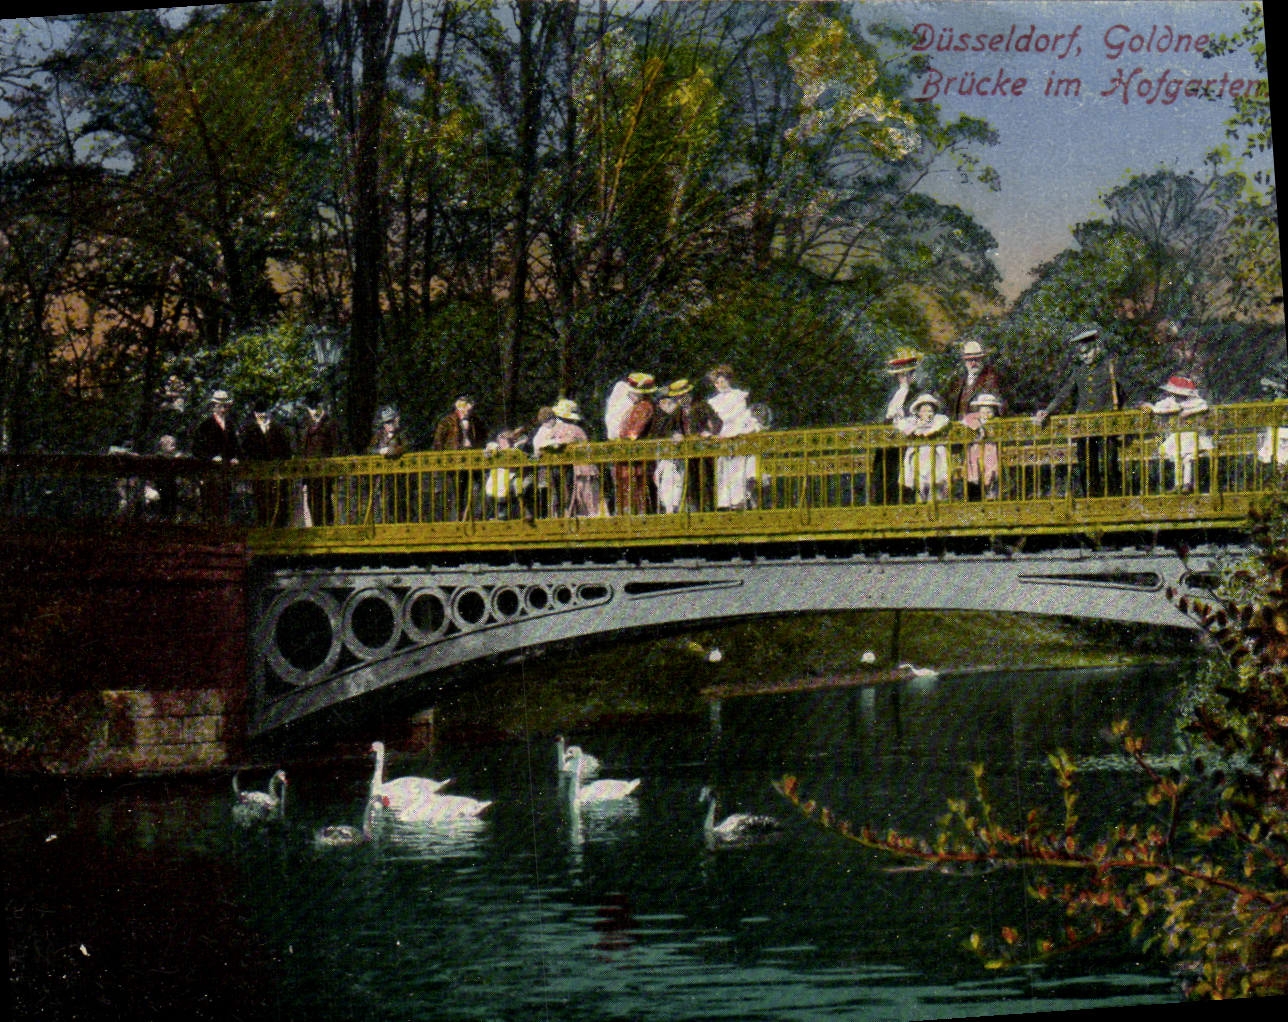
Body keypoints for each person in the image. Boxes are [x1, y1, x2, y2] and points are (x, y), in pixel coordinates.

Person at [1033, 324, 1132, 498]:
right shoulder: (1079, 372)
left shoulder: (1110, 368)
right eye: (1081, 354)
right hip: (1084, 425)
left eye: (1087, 352)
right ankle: (1091, 500)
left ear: (1097, 349)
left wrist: (1138, 406)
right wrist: (1047, 411)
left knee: (1109, 464)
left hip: (1107, 423)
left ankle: (1114, 500)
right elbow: (1064, 393)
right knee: (1086, 464)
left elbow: (1127, 391)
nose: (1084, 356)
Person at [1140, 375, 1212, 493]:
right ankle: (1178, 484)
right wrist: (1149, 407)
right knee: (1177, 456)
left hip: (1191, 434)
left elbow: (1204, 406)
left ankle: (1187, 483)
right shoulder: (1170, 401)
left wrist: (1188, 412)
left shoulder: (1193, 402)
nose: (1177, 396)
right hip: (1177, 435)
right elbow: (1158, 408)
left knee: (1187, 457)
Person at [532, 398, 600, 517]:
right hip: (577, 467)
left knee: (578, 494)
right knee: (582, 495)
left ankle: (572, 515)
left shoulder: (568, 430)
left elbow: (542, 445)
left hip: (577, 467)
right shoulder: (574, 429)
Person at [871, 347, 922, 505]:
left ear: (913, 375)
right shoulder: (894, 395)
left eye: (907, 374)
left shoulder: (918, 394)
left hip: (907, 443)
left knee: (904, 478)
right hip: (889, 444)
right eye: (901, 375)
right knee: (885, 476)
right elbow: (885, 419)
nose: (904, 378)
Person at [662, 379, 722, 512]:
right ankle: (695, 512)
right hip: (688, 454)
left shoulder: (702, 406)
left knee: (706, 481)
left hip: (705, 451)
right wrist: (675, 434)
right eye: (677, 398)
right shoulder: (678, 411)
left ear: (688, 394)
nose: (680, 400)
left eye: (682, 396)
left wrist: (709, 432)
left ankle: (709, 512)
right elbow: (668, 428)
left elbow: (717, 422)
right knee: (690, 483)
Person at [705, 365, 759, 510]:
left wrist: (743, 429)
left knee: (740, 467)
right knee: (726, 469)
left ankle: (741, 499)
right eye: (717, 383)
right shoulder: (714, 401)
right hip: (725, 432)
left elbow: (741, 415)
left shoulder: (739, 396)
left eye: (722, 381)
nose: (720, 385)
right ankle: (727, 502)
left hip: (740, 430)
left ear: (728, 380)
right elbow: (716, 420)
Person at [240, 398, 294, 527]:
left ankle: (278, 530)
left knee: (278, 502)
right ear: (254, 413)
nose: (262, 415)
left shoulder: (278, 428)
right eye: (259, 412)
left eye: (264, 411)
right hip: (258, 473)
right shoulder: (249, 429)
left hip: (276, 472)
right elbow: (245, 451)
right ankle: (262, 528)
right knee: (260, 502)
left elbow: (286, 450)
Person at [433, 394, 487, 520]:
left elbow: (482, 438)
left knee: (480, 486)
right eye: (465, 406)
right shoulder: (447, 421)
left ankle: (476, 516)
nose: (468, 409)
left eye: (469, 406)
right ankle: (457, 520)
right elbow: (438, 443)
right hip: (455, 461)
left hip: (473, 460)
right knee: (457, 492)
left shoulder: (475, 421)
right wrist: (443, 460)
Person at [190, 389, 240, 520]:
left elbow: (235, 445)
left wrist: (234, 457)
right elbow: (196, 448)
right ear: (213, 406)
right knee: (210, 503)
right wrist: (211, 457)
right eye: (220, 406)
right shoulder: (205, 424)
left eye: (225, 406)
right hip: (210, 471)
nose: (223, 409)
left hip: (226, 470)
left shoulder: (230, 424)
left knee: (225, 502)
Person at [611, 373, 657, 515]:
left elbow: (634, 433)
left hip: (634, 456)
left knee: (635, 487)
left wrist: (623, 438)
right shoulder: (638, 406)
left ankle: (636, 515)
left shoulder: (644, 407)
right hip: (630, 456)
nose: (631, 394)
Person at [896, 392, 951, 503]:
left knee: (934, 481)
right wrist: (914, 430)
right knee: (919, 482)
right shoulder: (914, 422)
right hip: (919, 455)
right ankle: (920, 502)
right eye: (924, 411)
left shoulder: (937, 420)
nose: (928, 414)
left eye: (930, 411)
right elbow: (901, 424)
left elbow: (944, 421)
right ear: (919, 412)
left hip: (934, 455)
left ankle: (934, 502)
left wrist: (931, 431)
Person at [299, 390, 342, 526]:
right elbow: (301, 446)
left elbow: (336, 446)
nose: (313, 410)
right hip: (309, 471)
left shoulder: (330, 423)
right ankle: (316, 529)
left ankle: (327, 529)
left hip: (325, 470)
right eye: (310, 407)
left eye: (315, 406)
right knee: (311, 501)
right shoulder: (304, 423)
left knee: (326, 500)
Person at [945, 339, 1006, 419]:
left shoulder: (991, 379)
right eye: (970, 360)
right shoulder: (959, 381)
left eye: (977, 359)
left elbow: (1000, 406)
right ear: (965, 362)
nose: (973, 363)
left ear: (982, 360)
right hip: (961, 424)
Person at [368, 404, 409, 523]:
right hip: (381, 476)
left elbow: (405, 446)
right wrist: (379, 451)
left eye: (391, 422)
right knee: (381, 501)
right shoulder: (379, 435)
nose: (390, 425)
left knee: (397, 502)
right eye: (387, 423)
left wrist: (391, 451)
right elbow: (370, 449)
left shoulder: (400, 434)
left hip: (398, 476)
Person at [961, 392, 1003, 501]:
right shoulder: (975, 419)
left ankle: (991, 492)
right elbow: (966, 419)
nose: (986, 414)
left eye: (989, 411)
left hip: (990, 447)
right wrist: (978, 426)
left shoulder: (996, 421)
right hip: (976, 448)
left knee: (990, 468)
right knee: (974, 466)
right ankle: (977, 490)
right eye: (983, 411)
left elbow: (996, 431)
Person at [649, 388, 685, 514]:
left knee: (677, 481)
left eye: (670, 402)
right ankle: (669, 507)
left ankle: (674, 507)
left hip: (675, 456)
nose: (668, 405)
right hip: (664, 457)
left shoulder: (677, 415)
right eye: (665, 403)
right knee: (665, 481)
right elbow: (657, 435)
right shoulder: (658, 418)